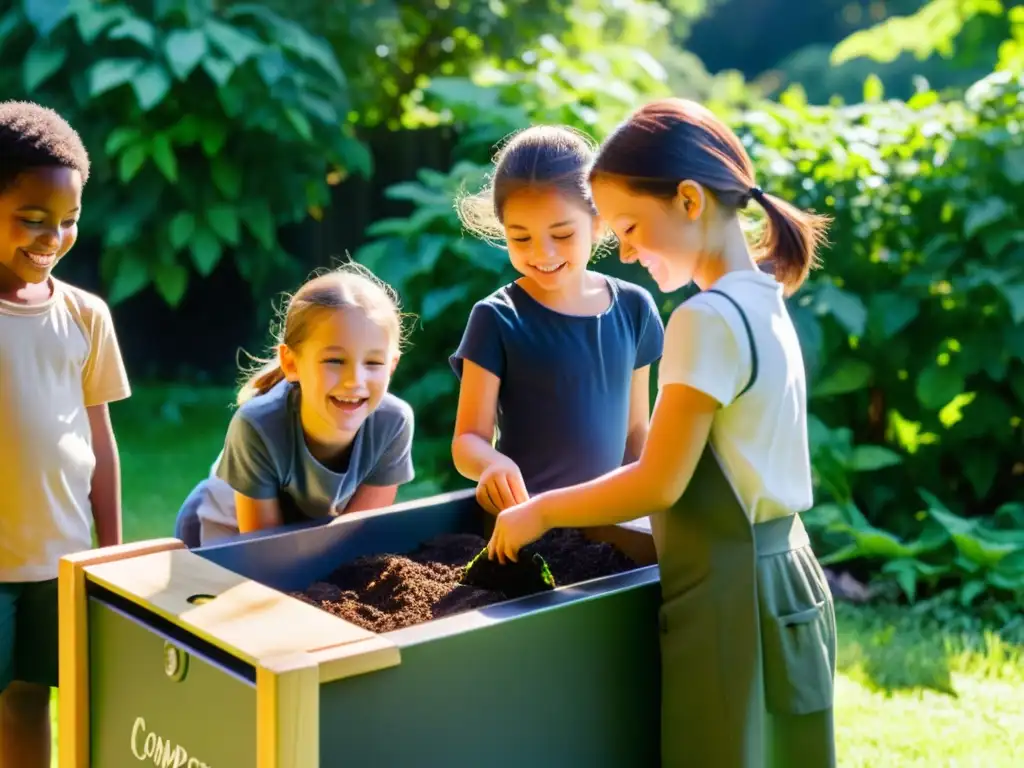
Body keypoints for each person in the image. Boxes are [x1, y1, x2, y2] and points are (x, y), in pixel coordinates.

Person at [486, 99, 837, 768]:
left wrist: (543, 510)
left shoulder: (703, 320)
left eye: (631, 226)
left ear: (687, 200)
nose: (625, 250)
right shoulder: (765, 298)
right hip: (788, 577)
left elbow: (658, 480)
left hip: (733, 595)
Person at [0, 101, 131, 768]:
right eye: (32, 219)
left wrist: (110, 551)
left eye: (69, 220)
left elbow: (98, 441)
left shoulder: (86, 316)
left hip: (61, 563)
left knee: (33, 698)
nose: (52, 236)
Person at [450, 125, 664, 514]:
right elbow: (468, 440)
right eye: (521, 238)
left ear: (599, 223)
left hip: (610, 524)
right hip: (526, 527)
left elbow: (636, 434)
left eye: (562, 234)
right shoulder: (496, 318)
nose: (542, 253)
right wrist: (492, 463)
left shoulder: (635, 308)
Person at [174, 263, 415, 547]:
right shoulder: (257, 425)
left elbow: (358, 536)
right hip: (222, 532)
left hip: (302, 534)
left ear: (392, 366)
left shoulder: (394, 423)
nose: (355, 381)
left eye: (373, 362)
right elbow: (265, 552)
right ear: (291, 362)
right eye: (335, 361)